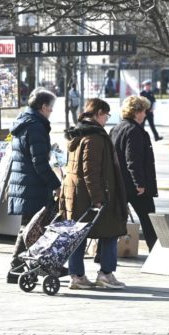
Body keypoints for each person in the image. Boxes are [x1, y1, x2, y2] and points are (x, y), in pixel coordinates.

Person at [59, 98, 128, 289]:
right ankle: (106, 274)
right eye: (107, 114)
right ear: (98, 113)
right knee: (110, 232)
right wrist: (98, 198)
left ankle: (77, 276)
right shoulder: (94, 138)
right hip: (93, 196)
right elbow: (91, 171)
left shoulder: (78, 134)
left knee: (78, 235)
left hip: (76, 196)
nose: (107, 118)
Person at [6, 88, 62, 283]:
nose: (51, 112)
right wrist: (56, 184)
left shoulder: (25, 122)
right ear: (43, 107)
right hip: (32, 185)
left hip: (26, 183)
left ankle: (26, 267)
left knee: (31, 226)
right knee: (31, 227)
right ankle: (17, 267)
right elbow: (39, 162)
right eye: (51, 108)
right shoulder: (35, 126)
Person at [110, 95, 158, 252]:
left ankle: (102, 255)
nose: (146, 114)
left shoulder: (116, 128)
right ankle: (155, 252)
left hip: (118, 183)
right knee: (149, 220)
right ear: (136, 112)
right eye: (144, 111)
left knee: (114, 221)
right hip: (134, 187)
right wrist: (140, 184)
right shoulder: (134, 131)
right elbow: (133, 160)